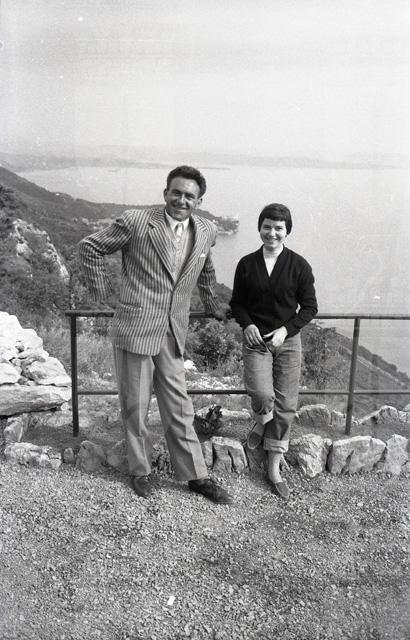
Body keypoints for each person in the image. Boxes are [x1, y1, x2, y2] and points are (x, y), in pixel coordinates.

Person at [79, 166, 232, 504]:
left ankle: (196, 476)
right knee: (135, 406)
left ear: (199, 201)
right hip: (135, 328)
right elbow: (90, 247)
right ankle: (140, 470)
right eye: (176, 192)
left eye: (190, 196)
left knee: (179, 406)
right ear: (165, 193)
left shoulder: (206, 230)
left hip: (172, 332)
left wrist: (213, 304)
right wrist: (101, 294)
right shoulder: (137, 222)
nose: (182, 200)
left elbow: (205, 270)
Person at [230, 203, 318, 500]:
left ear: (287, 231)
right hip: (256, 340)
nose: (272, 233)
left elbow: (309, 307)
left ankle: (274, 467)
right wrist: (247, 324)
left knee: (287, 404)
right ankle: (262, 421)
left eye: (279, 228)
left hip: (288, 342)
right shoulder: (247, 264)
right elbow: (237, 303)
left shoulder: (299, 265)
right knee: (261, 394)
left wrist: (285, 331)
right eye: (267, 226)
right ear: (260, 228)